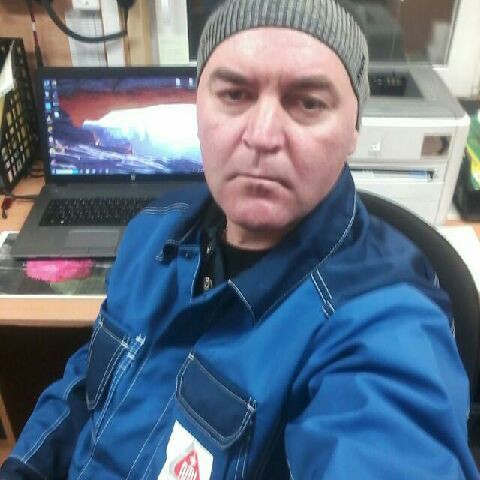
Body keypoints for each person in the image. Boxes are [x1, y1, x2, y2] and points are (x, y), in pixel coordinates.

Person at [1, 0, 478, 478]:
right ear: (197, 110)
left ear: (354, 129)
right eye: (234, 94)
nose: (263, 135)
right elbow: (90, 380)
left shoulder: (385, 324)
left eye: (308, 103)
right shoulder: (155, 229)